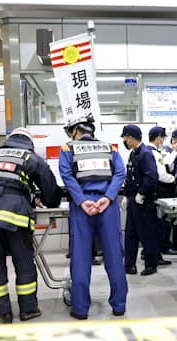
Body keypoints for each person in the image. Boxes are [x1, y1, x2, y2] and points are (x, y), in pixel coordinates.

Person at [0, 128, 61, 323]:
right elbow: (51, 194)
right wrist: (40, 199)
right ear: (29, 143)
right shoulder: (31, 158)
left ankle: (4, 313)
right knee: (24, 264)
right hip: (15, 218)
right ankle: (28, 310)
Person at [59, 115, 129, 319]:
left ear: (74, 131)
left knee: (81, 257)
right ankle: (119, 305)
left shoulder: (67, 149)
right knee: (114, 256)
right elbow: (120, 174)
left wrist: (81, 201)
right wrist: (108, 197)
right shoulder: (110, 148)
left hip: (83, 208)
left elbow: (67, 176)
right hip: (107, 207)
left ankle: (80, 309)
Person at [122, 124, 160, 276]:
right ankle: (129, 264)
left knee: (146, 234)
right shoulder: (133, 154)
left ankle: (151, 264)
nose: (125, 141)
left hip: (143, 201)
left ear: (130, 137)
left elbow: (152, 176)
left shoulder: (145, 153)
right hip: (133, 199)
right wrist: (126, 195)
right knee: (130, 234)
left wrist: (142, 193)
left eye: (125, 138)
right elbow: (130, 177)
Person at [146, 126, 175, 262]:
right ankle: (155, 256)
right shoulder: (154, 153)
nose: (163, 141)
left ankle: (151, 253)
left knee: (152, 226)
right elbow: (161, 175)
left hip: (150, 193)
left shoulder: (148, 151)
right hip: (159, 192)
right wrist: (174, 179)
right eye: (163, 138)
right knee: (159, 226)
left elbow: (166, 163)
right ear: (158, 137)